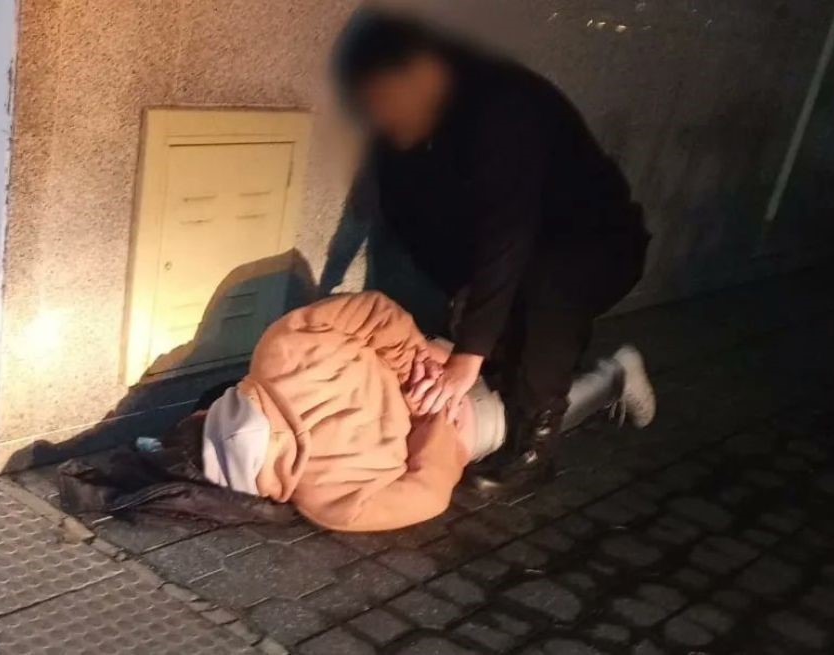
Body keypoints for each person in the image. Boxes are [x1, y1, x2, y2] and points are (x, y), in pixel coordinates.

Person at [322, 10, 654, 494]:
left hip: (593, 247)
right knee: (508, 366)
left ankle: (535, 446)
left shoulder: (504, 104)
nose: (382, 118)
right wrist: (461, 308)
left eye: (385, 99)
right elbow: (403, 215)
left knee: (539, 338)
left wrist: (468, 355)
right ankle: (606, 374)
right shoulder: (404, 131)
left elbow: (509, 230)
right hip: (519, 262)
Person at [156, 291, 652, 532]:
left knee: (533, 415)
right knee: (529, 383)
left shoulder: (327, 502)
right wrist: (424, 369)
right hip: (443, 359)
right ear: (211, 412)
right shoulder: (281, 350)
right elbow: (372, 311)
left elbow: (427, 495)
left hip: (459, 420)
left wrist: (437, 426)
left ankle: (612, 377)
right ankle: (582, 360)